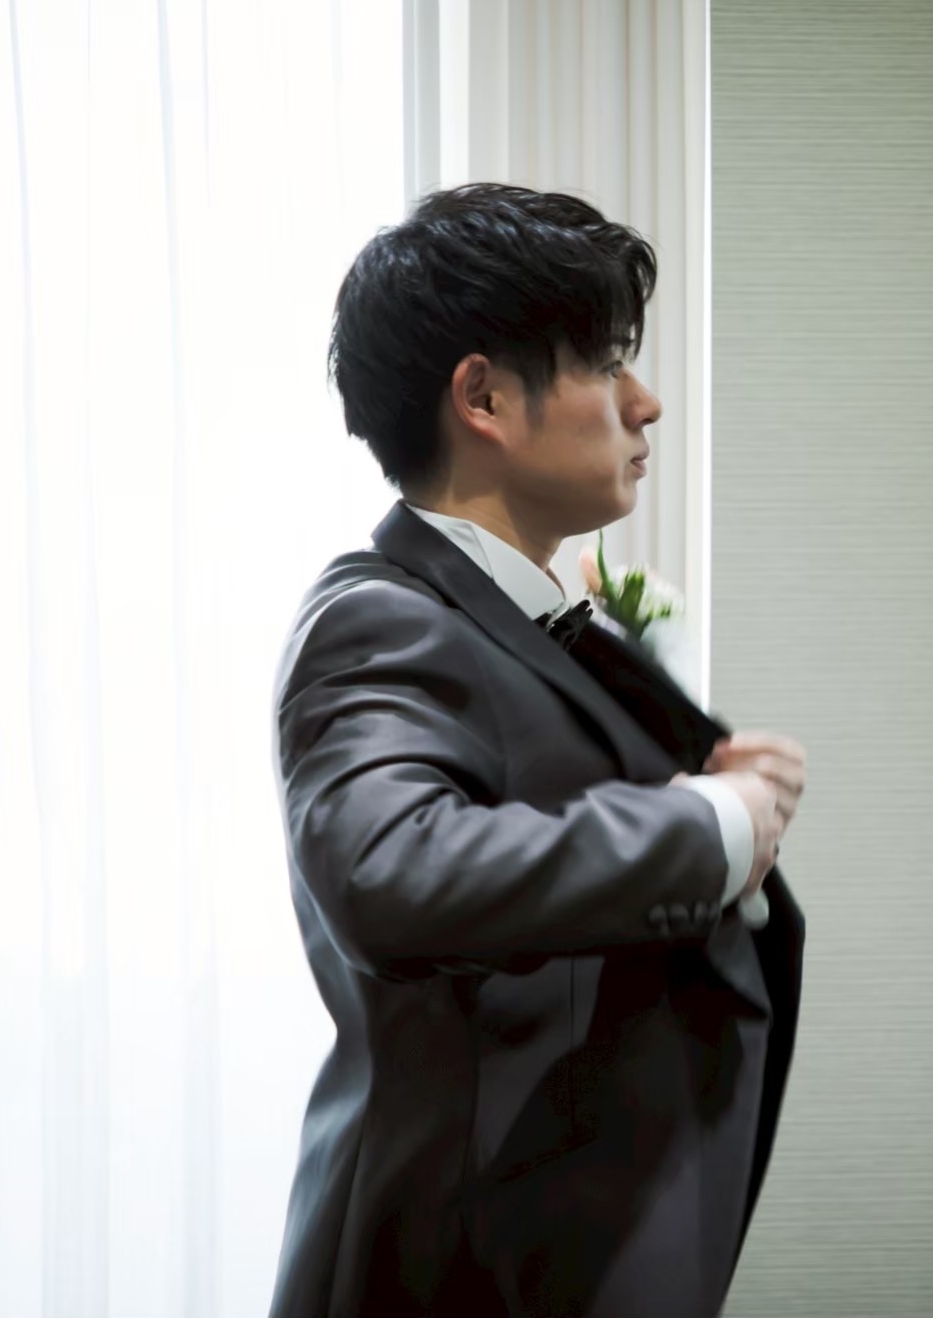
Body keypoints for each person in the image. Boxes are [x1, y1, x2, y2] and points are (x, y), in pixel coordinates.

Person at [267, 183, 806, 1317]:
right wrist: (710, 826)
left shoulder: (527, 618)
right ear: (484, 397)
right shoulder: (378, 617)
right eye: (607, 365)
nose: (646, 402)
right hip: (456, 1273)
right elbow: (389, 869)